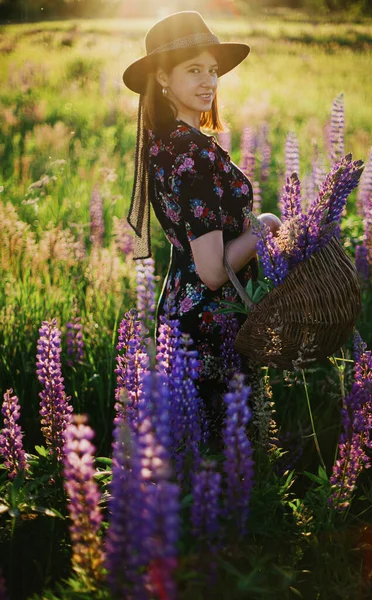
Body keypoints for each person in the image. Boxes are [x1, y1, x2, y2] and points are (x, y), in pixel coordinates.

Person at [122, 11, 281, 435]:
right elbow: (213, 272)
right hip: (212, 324)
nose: (209, 80)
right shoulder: (191, 154)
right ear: (161, 78)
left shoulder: (167, 144)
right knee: (222, 452)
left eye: (212, 70)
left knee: (192, 449)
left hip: (182, 309)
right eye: (194, 70)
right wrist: (265, 224)